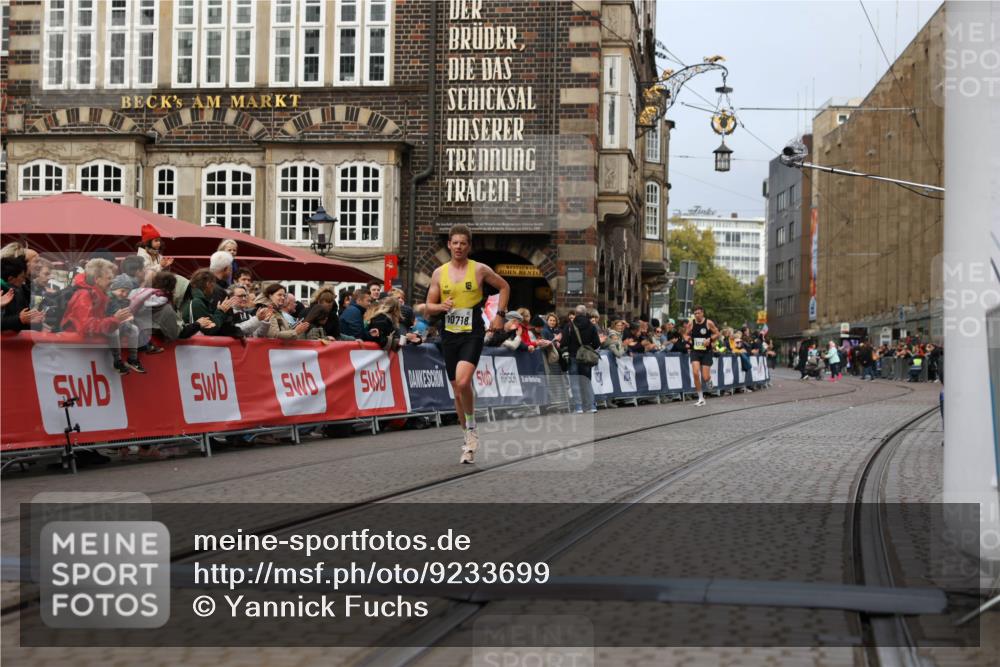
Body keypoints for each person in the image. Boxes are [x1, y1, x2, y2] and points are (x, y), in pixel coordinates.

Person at [424, 224, 510, 464]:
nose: (459, 247)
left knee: (463, 381)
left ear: (468, 246)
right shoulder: (439, 273)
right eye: (455, 242)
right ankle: (468, 439)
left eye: (463, 243)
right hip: (449, 333)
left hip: (472, 330)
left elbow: (504, 286)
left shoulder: (480, 269)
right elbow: (428, 305)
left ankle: (471, 428)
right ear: (449, 244)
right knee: (457, 388)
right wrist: (440, 307)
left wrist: (500, 315)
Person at [60, 259, 135, 375]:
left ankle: (120, 361)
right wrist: (114, 320)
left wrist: (118, 321)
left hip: (85, 355)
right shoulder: (84, 295)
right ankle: (118, 362)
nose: (112, 281)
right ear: (97, 280)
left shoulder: (100, 295)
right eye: (109, 278)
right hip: (76, 355)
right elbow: (86, 326)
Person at [562, 303, 601, 414]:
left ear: (576, 313)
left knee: (574, 381)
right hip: (585, 358)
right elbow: (597, 343)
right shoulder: (591, 326)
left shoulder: (569, 326)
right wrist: (587, 349)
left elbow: (564, 342)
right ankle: (591, 406)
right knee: (587, 381)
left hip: (573, 356)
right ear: (585, 313)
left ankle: (578, 407)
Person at [684, 306, 719, 406]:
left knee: (705, 376)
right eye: (695, 314)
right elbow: (685, 334)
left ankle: (709, 380)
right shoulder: (691, 323)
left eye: (699, 313)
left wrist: (710, 340)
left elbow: (717, 333)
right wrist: (688, 339)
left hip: (706, 352)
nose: (697, 315)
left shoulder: (708, 323)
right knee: (695, 373)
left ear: (702, 313)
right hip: (695, 351)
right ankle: (701, 398)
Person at [1, 257, 44, 332]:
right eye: (22, 277)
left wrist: (31, 319)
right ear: (11, 279)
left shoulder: (19, 291)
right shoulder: (11, 291)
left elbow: (24, 316)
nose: (24, 281)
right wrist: (20, 319)